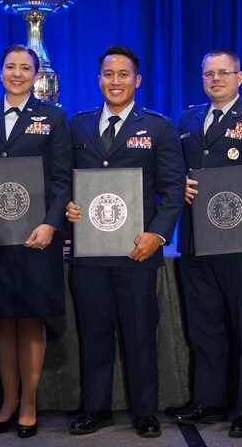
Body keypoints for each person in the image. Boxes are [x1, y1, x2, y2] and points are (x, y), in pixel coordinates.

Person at [64, 46, 185, 439]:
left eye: (123, 74)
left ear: (138, 80)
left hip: (138, 250)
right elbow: (65, 182)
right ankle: (95, 409)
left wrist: (158, 233)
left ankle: (145, 411)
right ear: (98, 79)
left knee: (138, 334)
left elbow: (173, 188)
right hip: (90, 253)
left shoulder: (159, 127)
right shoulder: (77, 126)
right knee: (94, 333)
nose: (115, 81)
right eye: (108, 74)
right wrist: (67, 208)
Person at [170, 50, 242, 437]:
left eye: (224, 73)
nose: (216, 79)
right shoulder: (187, 118)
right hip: (196, 241)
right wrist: (178, 185)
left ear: (240, 77)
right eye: (209, 73)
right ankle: (208, 399)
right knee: (203, 327)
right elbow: (173, 172)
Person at [0, 44, 72, 438]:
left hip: (36, 237)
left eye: (25, 68)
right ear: (0, 71)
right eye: (10, 66)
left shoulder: (54, 118)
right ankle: (8, 401)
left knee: (30, 315)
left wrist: (50, 224)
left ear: (37, 74)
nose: (17, 74)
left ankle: (29, 403)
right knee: (2, 318)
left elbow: (62, 180)